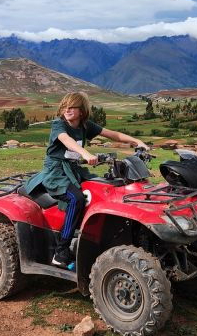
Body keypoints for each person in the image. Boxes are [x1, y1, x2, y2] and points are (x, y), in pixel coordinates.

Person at [24, 92, 148, 268]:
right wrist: (85, 153)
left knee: (103, 189)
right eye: (65, 105)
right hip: (56, 172)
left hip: (74, 170)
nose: (67, 109)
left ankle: (96, 239)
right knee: (76, 199)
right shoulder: (59, 125)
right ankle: (61, 252)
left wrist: (137, 141)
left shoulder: (84, 126)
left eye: (72, 106)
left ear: (82, 111)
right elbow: (66, 141)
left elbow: (113, 134)